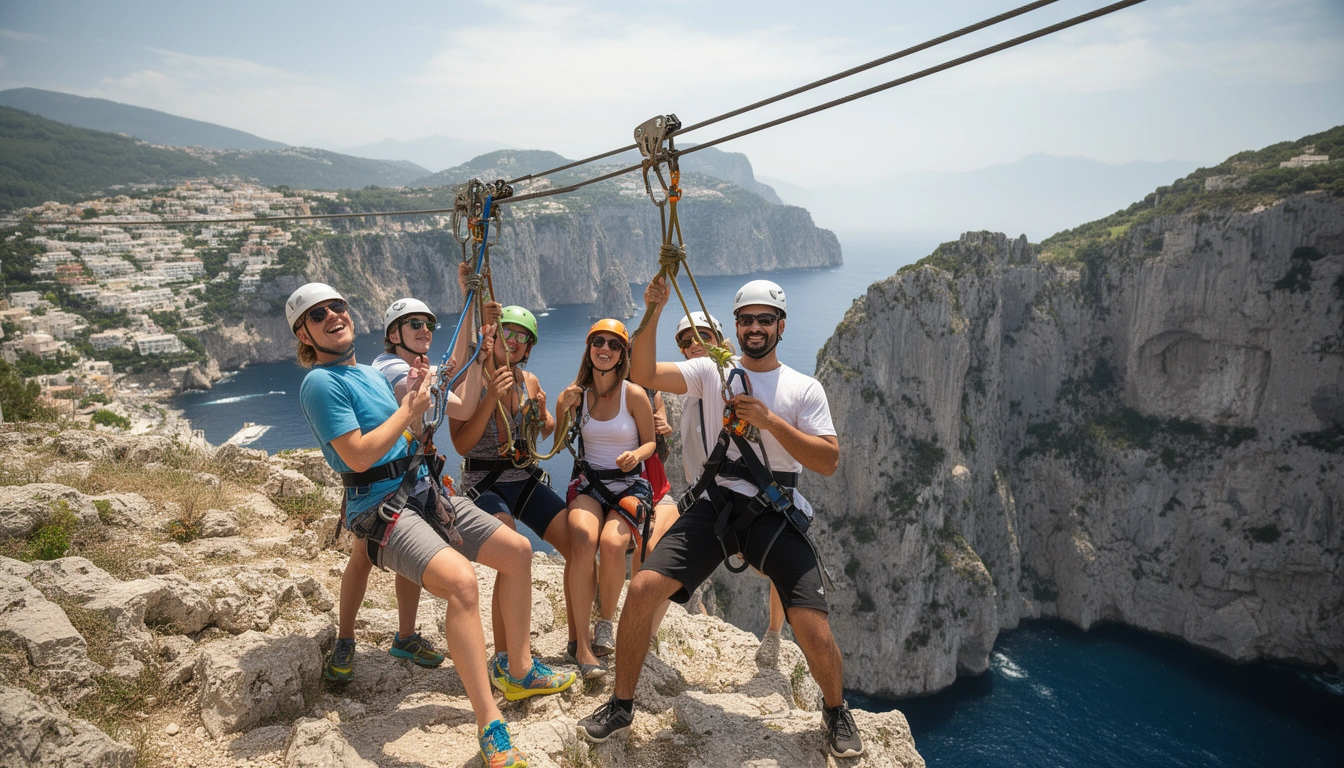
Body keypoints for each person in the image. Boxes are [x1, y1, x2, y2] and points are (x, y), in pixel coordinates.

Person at [576, 279, 865, 759]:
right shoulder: (713, 373)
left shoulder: (803, 388)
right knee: (644, 589)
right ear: (736, 327)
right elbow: (643, 370)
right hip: (716, 503)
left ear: (780, 326)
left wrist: (770, 421)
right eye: (747, 319)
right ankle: (621, 704)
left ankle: (835, 710)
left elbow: (829, 460)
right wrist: (651, 312)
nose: (755, 327)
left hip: (772, 508)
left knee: (812, 626)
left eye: (764, 319)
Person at [288, 282, 532, 768]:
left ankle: (519, 670)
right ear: (305, 336)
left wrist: (419, 401)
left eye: (337, 306)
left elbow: (409, 430)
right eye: (318, 316)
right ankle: (490, 722)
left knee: (519, 552)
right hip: (382, 505)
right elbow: (357, 453)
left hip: (422, 488)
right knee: (462, 585)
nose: (333, 315)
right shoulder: (320, 383)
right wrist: (408, 408)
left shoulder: (367, 374)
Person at [448, 305, 590, 682]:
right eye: (506, 335)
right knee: (511, 549)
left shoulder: (529, 382)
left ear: (528, 347)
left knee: (577, 544)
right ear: (493, 339)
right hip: (484, 483)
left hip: (522, 479)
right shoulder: (470, 382)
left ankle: (579, 641)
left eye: (520, 337)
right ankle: (505, 658)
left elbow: (545, 436)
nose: (512, 343)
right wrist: (489, 396)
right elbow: (462, 444)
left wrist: (551, 409)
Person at [674, 312, 787, 664]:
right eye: (685, 340)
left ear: (719, 340)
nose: (694, 344)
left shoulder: (732, 381)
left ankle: (773, 635)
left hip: (743, 497)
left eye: (702, 335)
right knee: (662, 569)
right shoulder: (689, 388)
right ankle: (649, 640)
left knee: (779, 566)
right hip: (703, 498)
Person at [555, 319, 657, 678]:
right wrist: (560, 406)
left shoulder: (634, 394)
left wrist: (637, 455)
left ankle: (606, 623)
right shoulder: (578, 394)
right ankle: (582, 646)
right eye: (598, 342)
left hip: (629, 484)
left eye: (614, 345)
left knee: (613, 545)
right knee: (583, 538)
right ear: (589, 348)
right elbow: (555, 439)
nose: (605, 349)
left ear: (622, 354)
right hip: (590, 482)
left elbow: (651, 441)